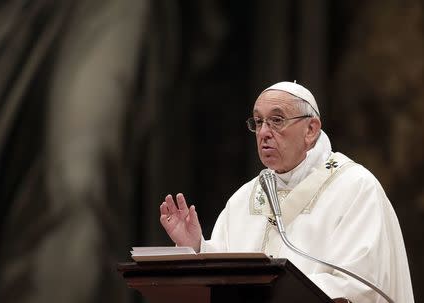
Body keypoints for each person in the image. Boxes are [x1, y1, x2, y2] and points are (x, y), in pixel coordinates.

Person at [159, 81, 415, 303]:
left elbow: (363, 283)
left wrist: (273, 291)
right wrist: (196, 248)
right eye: (258, 122)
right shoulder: (244, 198)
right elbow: (227, 275)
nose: (264, 133)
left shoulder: (354, 187)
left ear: (311, 130)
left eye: (277, 120)